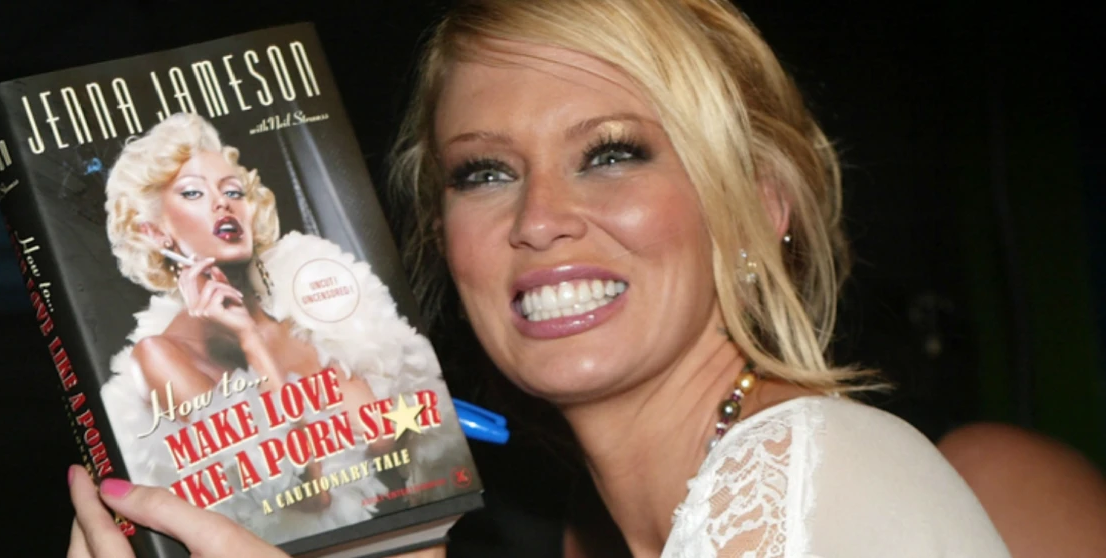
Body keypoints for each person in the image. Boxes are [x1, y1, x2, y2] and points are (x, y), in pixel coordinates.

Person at [68, 1, 1105, 557]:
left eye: (612, 153)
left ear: (758, 207)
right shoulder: (579, 532)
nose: (538, 220)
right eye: (484, 173)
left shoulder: (813, 472)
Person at [80, 112, 460, 550]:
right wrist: (252, 344)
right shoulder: (160, 356)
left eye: (232, 191)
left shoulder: (305, 306)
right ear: (155, 232)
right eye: (193, 193)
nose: (222, 204)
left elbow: (385, 439)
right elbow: (309, 492)